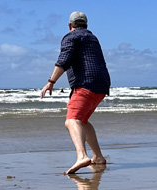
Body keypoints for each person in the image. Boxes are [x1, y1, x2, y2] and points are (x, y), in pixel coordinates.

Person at [40, 11, 111, 174]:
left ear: (70, 25)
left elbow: (64, 60)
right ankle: (98, 157)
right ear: (86, 25)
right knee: (83, 121)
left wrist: (50, 82)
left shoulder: (71, 37)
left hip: (85, 83)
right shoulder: (92, 38)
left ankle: (81, 156)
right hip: (102, 84)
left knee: (72, 120)